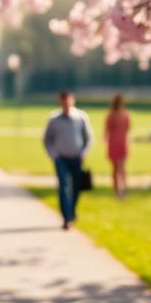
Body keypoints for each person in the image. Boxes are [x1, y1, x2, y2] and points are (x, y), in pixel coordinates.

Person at [43, 90, 92, 230]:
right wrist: (54, 155)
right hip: (61, 159)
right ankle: (66, 217)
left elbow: (88, 138)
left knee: (76, 187)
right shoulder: (54, 120)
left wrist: (83, 153)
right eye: (63, 101)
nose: (66, 104)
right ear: (60, 102)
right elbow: (47, 140)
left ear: (72, 101)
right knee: (64, 186)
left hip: (77, 158)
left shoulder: (81, 117)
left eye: (68, 100)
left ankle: (72, 210)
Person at [104, 93, 130, 198]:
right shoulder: (121, 114)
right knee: (119, 168)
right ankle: (119, 190)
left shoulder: (119, 114)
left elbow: (107, 131)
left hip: (117, 143)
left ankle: (120, 189)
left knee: (119, 168)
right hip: (118, 143)